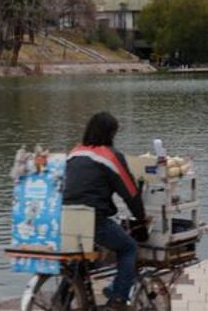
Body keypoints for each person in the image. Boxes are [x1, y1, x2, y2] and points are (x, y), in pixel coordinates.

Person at [63, 112, 148, 310]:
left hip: (65, 215)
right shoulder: (109, 155)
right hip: (92, 217)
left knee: (77, 258)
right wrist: (141, 219)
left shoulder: (75, 153)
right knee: (129, 248)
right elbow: (130, 193)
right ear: (110, 134)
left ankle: (63, 300)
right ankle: (118, 298)